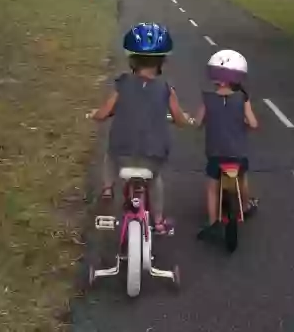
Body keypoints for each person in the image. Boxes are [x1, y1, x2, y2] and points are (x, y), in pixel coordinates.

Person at [88, 22, 190, 235]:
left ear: (131, 59)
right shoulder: (166, 89)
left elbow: (104, 113)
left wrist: (94, 115)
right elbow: (180, 119)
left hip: (122, 153)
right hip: (153, 155)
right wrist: (186, 120)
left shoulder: (122, 83)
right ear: (162, 61)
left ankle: (107, 187)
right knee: (155, 181)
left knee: (109, 154)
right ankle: (159, 221)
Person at [193, 49, 259, 240]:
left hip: (215, 154)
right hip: (237, 154)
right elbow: (253, 123)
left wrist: (200, 121)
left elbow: (197, 123)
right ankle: (245, 206)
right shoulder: (242, 98)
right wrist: (245, 123)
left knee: (212, 188)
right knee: (242, 178)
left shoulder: (207, 98)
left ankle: (213, 222)